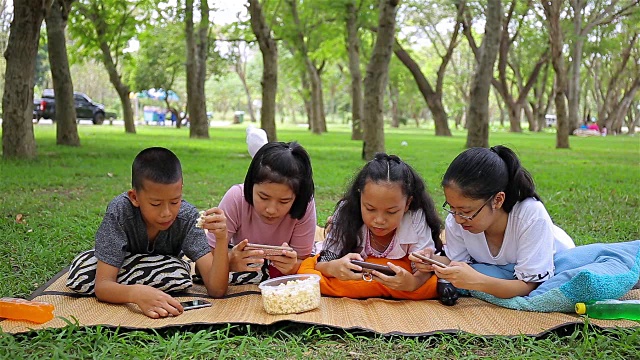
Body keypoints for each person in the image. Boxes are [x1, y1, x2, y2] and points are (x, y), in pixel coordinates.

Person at [66, 147, 230, 318]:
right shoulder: (120, 213)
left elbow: (217, 289)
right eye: (155, 204)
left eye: (175, 201)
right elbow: (103, 286)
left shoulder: (187, 217)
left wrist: (221, 238)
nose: (166, 212)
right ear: (134, 197)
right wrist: (136, 294)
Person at [410, 145, 575, 299]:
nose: (458, 218)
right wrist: (432, 261)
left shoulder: (530, 216)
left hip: (551, 262)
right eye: (452, 208)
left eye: (466, 212)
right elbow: (458, 262)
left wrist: (478, 282)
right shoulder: (456, 220)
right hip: (499, 271)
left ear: (497, 200)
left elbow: (530, 286)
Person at [299, 153, 443, 300]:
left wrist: (412, 283)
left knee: (431, 284)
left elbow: (423, 269)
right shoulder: (346, 212)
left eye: (391, 212)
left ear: (407, 204)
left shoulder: (415, 218)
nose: (379, 220)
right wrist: (334, 268)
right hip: (353, 272)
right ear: (360, 197)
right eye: (370, 209)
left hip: (401, 271)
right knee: (308, 273)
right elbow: (323, 262)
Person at [206, 141, 317, 284]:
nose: (271, 209)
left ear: (297, 198)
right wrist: (229, 261)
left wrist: (293, 267)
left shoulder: (304, 205)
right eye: (263, 197)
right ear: (250, 185)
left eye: (284, 201)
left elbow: (304, 261)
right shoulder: (236, 198)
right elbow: (207, 259)